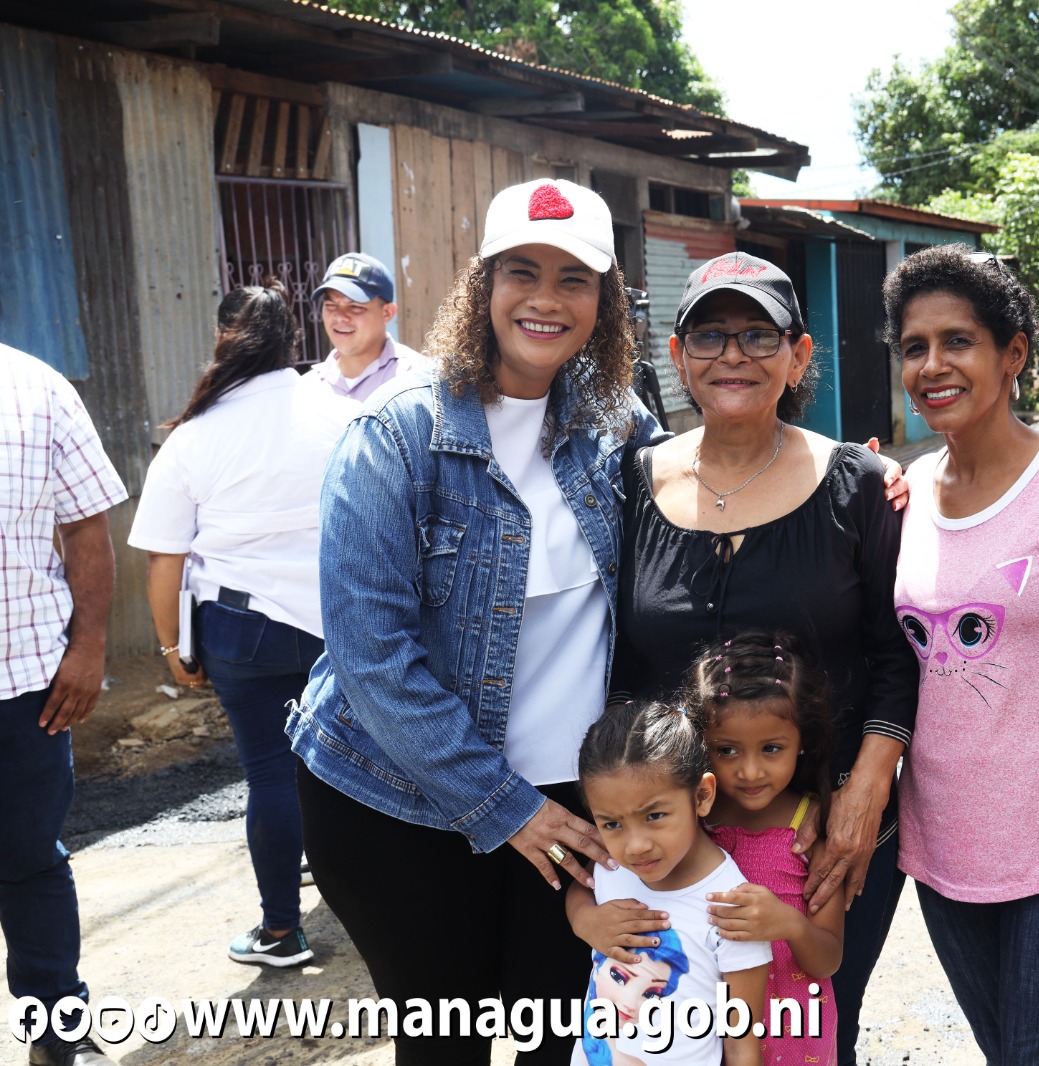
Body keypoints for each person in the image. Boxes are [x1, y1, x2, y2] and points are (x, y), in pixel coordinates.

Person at [287, 177, 666, 1065]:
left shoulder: (620, 426)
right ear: (483, 284)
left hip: (569, 808)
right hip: (395, 804)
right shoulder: (395, 439)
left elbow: (720, 498)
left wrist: (864, 480)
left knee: (552, 1042)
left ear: (604, 301)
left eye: (575, 278)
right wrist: (502, 807)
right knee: (445, 1045)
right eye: (522, 272)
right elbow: (372, 657)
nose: (546, 298)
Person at [590, 251, 920, 1066]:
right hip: (667, 839)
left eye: (757, 334)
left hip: (819, 835)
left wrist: (864, 793)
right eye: (709, 336)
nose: (732, 355)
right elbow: (619, 662)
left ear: (799, 355)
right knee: (668, 1036)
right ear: (676, 356)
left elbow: (897, 651)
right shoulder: (629, 483)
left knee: (804, 1030)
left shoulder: (860, 484)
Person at [883, 247, 1039, 1064]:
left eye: (958, 341)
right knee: (1004, 1049)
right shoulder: (907, 494)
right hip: (941, 840)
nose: (933, 366)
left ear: (1014, 354)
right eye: (914, 347)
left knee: (1035, 1051)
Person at [128, 282, 347, 967]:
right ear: (293, 341)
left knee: (272, 777)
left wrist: (172, 648)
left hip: (242, 633)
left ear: (225, 338)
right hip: (336, 628)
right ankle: (376, 914)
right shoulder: (340, 414)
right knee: (345, 773)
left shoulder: (196, 434)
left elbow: (165, 563)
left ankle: (282, 931)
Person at [1, 345, 124, 1066]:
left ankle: (55, 1027)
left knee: (28, 860)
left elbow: (86, 527)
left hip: (25, 686)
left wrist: (88, 648)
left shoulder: (38, 390)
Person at [573, 700, 771, 1066]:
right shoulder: (612, 865)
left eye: (655, 815)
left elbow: (741, 1044)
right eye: (612, 824)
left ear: (701, 795)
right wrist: (585, 920)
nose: (635, 846)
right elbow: (583, 886)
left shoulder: (732, 907)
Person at [690, 631, 845, 1066]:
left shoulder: (812, 830)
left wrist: (789, 924)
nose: (750, 770)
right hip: (701, 1026)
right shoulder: (690, 820)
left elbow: (828, 959)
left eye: (772, 749)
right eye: (727, 750)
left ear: (802, 742)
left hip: (793, 1032)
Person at [307, 251, 425, 406]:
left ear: (387, 313)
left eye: (355, 307)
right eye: (331, 305)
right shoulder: (309, 388)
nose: (340, 317)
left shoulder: (416, 379)